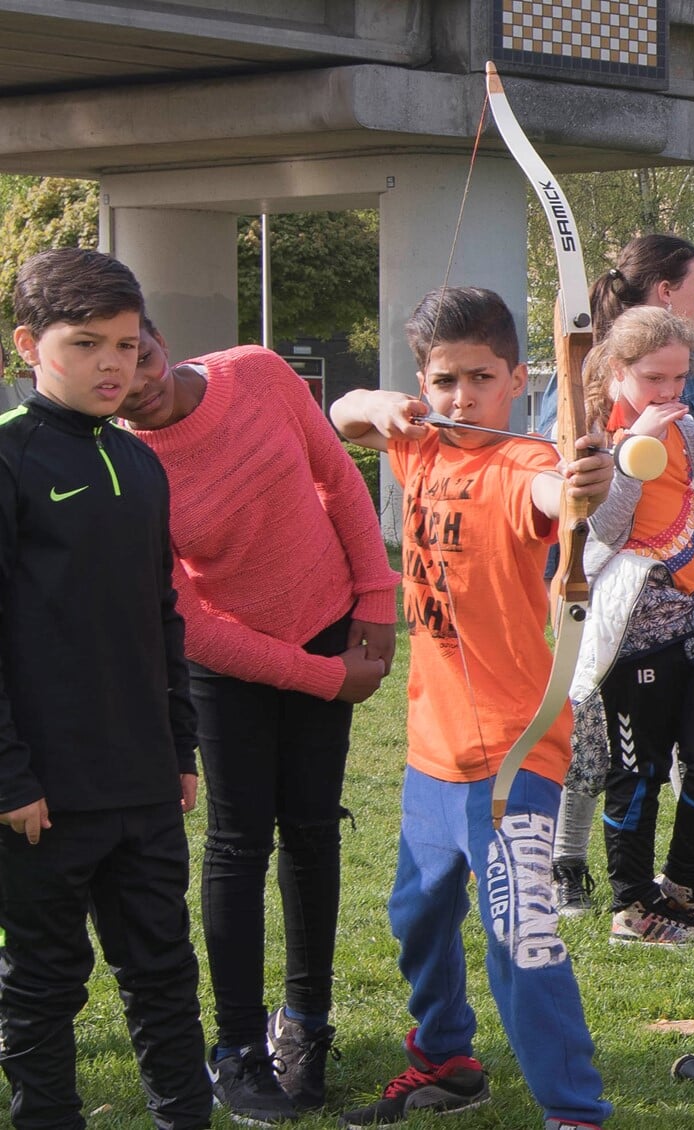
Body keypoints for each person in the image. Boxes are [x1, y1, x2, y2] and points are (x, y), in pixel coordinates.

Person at [329, 287, 614, 1129]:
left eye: (481, 379)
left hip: (514, 755)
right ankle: (447, 1059)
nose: (461, 398)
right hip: (432, 745)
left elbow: (551, 498)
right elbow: (344, 412)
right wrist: (380, 404)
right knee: (417, 918)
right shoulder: (417, 443)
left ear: (521, 379)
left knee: (521, 939)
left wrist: (579, 487)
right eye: (443, 379)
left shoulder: (521, 462)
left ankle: (574, 1111)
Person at [118, 322, 398, 1118]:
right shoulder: (129, 461)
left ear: (160, 340)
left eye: (138, 352)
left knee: (311, 830)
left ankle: (304, 1024)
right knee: (239, 843)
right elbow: (192, 624)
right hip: (226, 663)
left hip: (327, 614)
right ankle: (238, 1048)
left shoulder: (259, 374)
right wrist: (326, 681)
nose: (132, 377)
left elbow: (337, 478)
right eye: (107, 360)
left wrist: (375, 597)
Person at [1, 248, 211, 1130]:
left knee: (164, 968)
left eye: (127, 345)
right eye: (86, 344)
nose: (113, 365)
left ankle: (185, 1116)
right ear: (28, 345)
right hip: (43, 791)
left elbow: (163, 613)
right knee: (46, 983)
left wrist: (181, 745)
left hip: (143, 781)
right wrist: (11, 778)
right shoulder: (9, 455)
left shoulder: (143, 463)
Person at [548, 234, 694, 913]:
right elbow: (603, 531)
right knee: (634, 771)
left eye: (679, 379)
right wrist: (631, 443)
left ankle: (689, 881)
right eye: (655, 378)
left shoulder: (689, 432)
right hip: (626, 632)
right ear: (616, 372)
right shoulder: (592, 433)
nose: (671, 392)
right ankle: (631, 902)